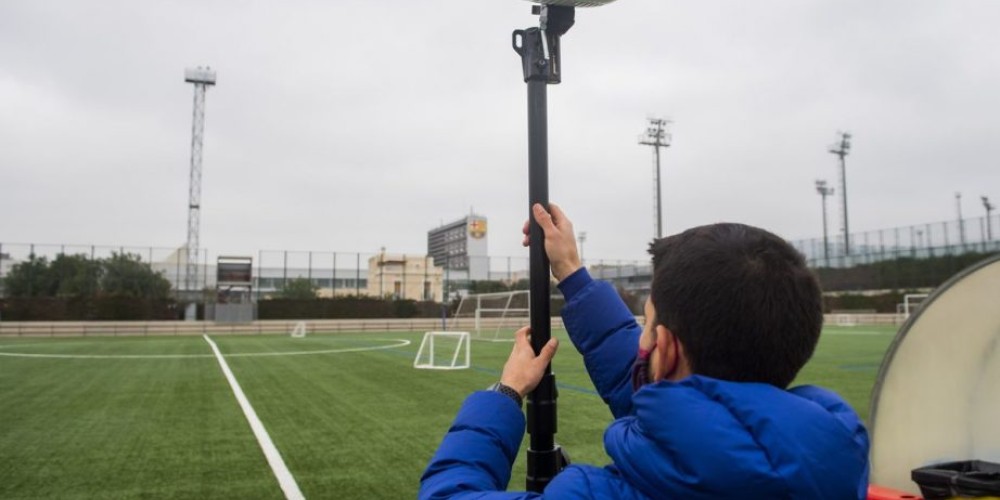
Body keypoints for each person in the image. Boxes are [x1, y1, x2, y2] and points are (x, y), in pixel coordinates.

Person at [419, 203, 870, 499]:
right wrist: (573, 274)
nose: (641, 341)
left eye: (646, 325)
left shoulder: (594, 493)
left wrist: (505, 393)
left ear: (664, 349)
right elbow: (672, 398)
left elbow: (447, 493)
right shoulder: (835, 466)